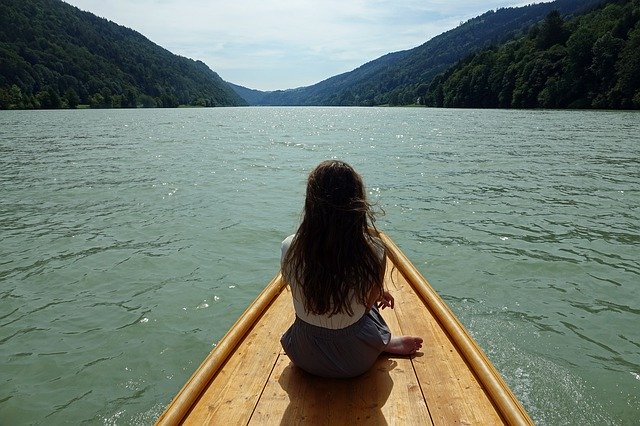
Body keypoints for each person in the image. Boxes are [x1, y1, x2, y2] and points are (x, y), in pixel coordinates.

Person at [280, 160, 423, 378]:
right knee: (370, 312)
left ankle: (380, 342)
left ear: (311, 204)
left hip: (302, 354)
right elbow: (366, 306)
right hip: (356, 361)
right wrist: (375, 291)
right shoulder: (373, 250)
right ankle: (383, 343)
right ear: (357, 204)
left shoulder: (290, 247)